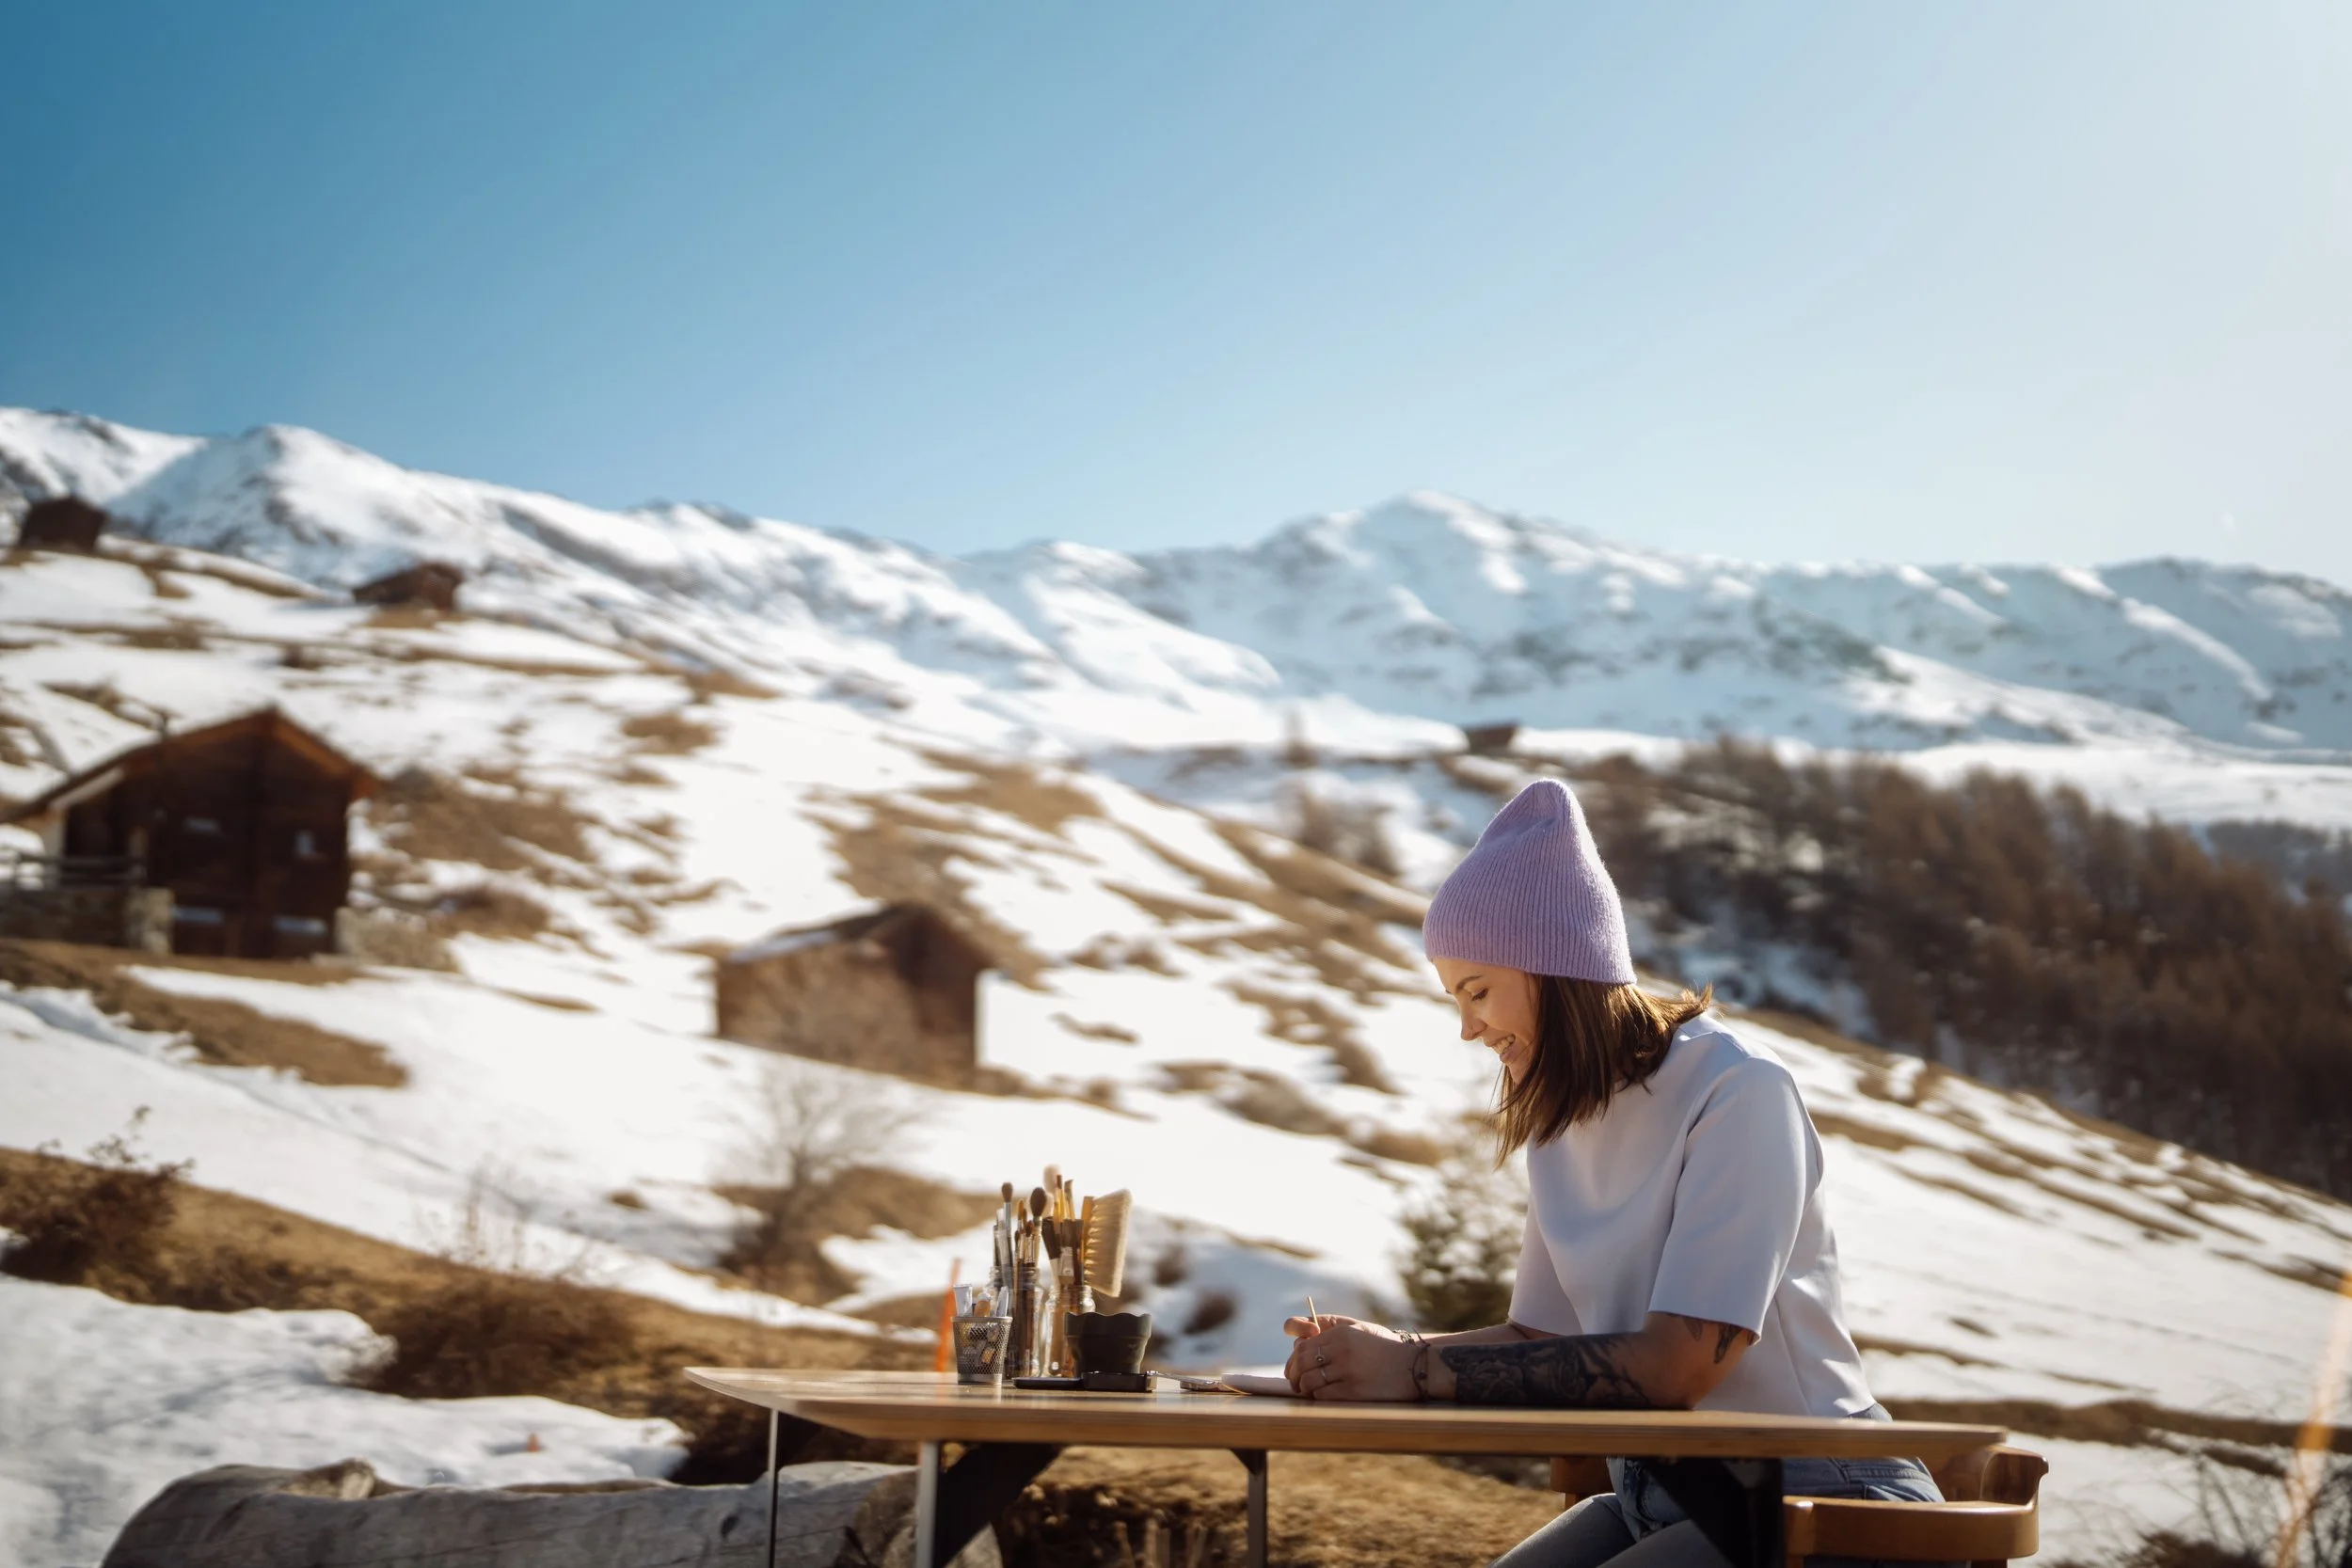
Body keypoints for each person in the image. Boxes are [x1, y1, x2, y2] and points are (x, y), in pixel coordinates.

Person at [1281, 778, 1946, 1568]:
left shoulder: (1738, 1091)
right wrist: (1386, 1349)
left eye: (1479, 991)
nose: (1468, 1028)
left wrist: (1418, 1367)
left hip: (1815, 1498)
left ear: (1556, 965)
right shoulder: (1563, 1116)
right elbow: (1542, 1337)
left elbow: (1676, 1368)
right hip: (1660, 1494)